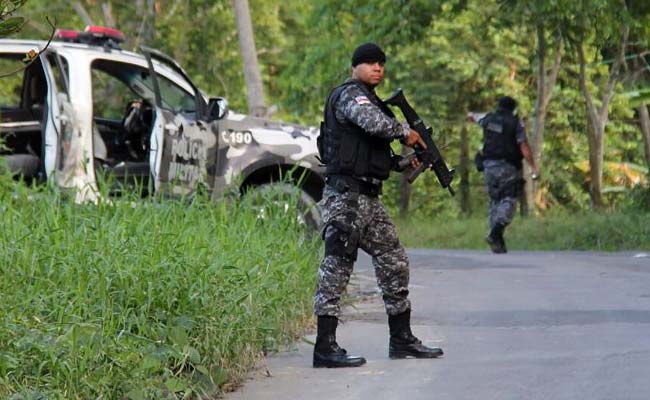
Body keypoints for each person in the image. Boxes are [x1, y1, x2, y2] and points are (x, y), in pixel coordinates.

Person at [313, 42, 444, 368]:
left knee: (394, 260)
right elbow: (373, 124)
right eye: (370, 62)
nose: (378, 68)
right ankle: (324, 347)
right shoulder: (350, 95)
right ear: (355, 66)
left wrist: (409, 162)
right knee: (337, 267)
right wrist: (407, 132)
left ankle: (401, 339)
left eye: (381, 63)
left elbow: (379, 158)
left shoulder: (375, 103)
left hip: (368, 199)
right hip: (345, 197)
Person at [467, 96, 539, 254]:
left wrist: (469, 115)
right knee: (509, 199)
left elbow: (472, 116)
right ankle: (496, 232)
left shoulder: (488, 118)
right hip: (508, 166)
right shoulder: (515, 122)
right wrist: (533, 167)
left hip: (488, 166)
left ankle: (497, 241)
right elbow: (523, 145)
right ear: (513, 108)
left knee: (494, 200)